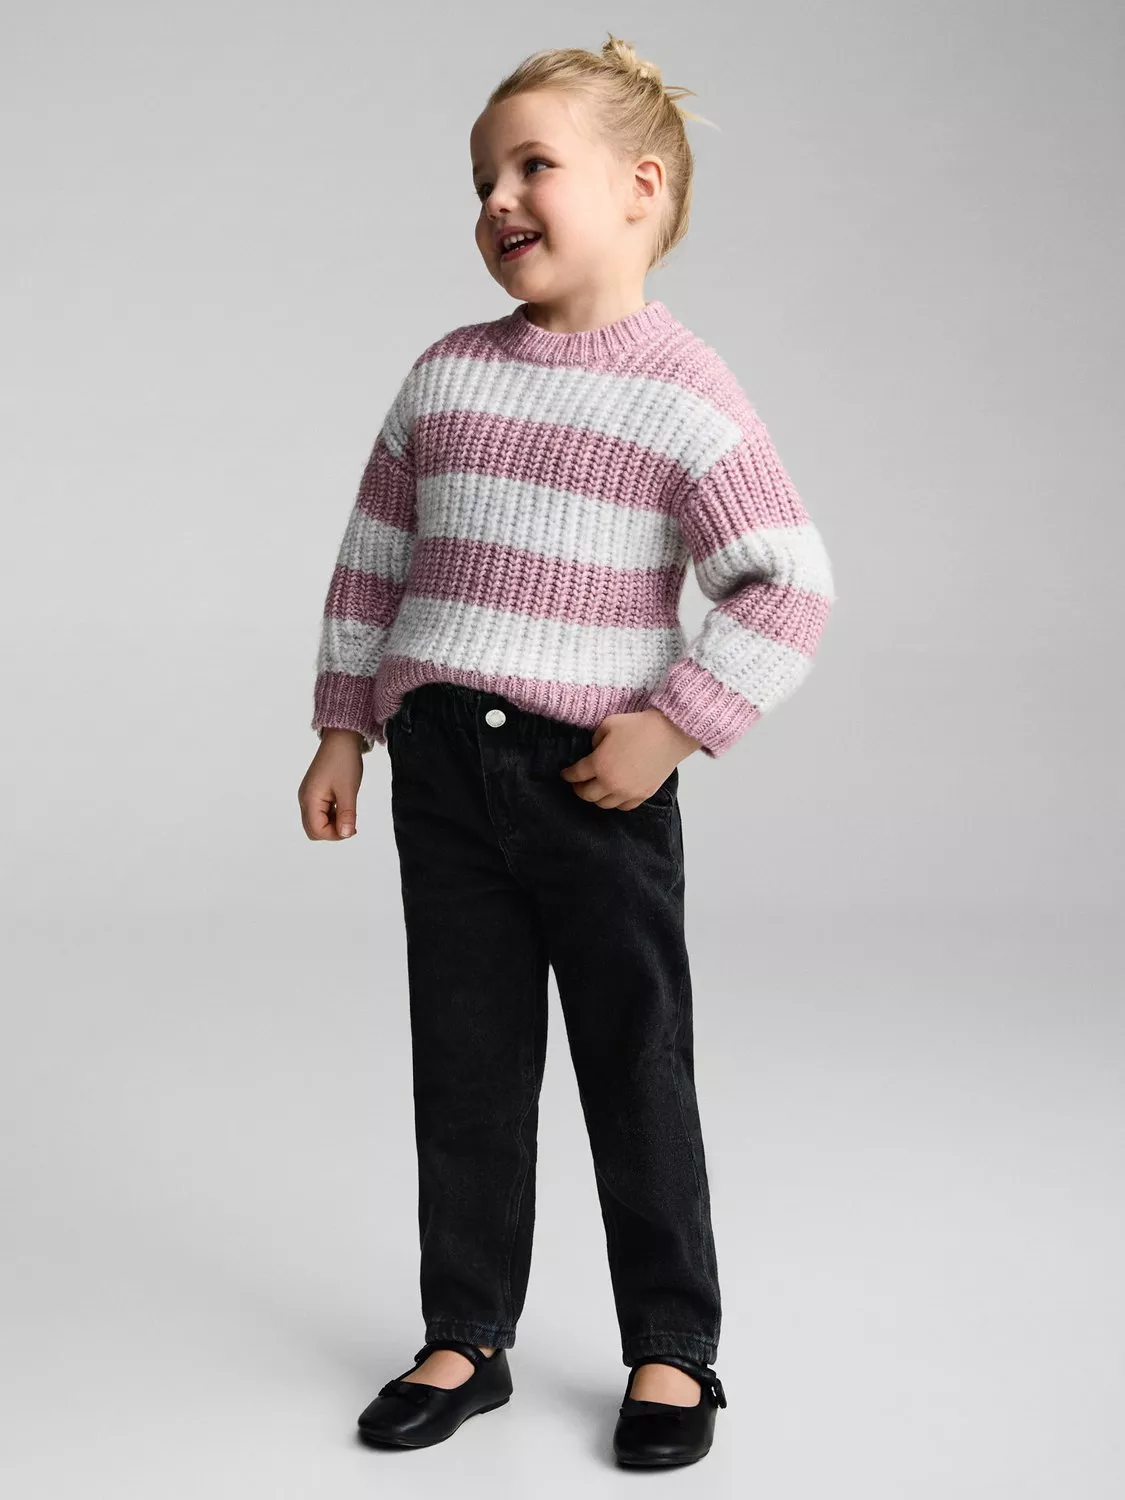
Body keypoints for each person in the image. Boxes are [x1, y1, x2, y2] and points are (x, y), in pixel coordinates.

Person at [298, 32, 836, 1468]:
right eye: (482, 180)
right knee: (467, 1063)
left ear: (640, 186)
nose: (497, 201)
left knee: (633, 1061)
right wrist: (344, 725)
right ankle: (466, 1332)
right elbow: (372, 562)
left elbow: (786, 581)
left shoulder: (681, 388)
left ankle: (672, 1346)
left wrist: (677, 723)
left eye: (532, 166)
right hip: (439, 770)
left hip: (590, 782)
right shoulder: (445, 378)